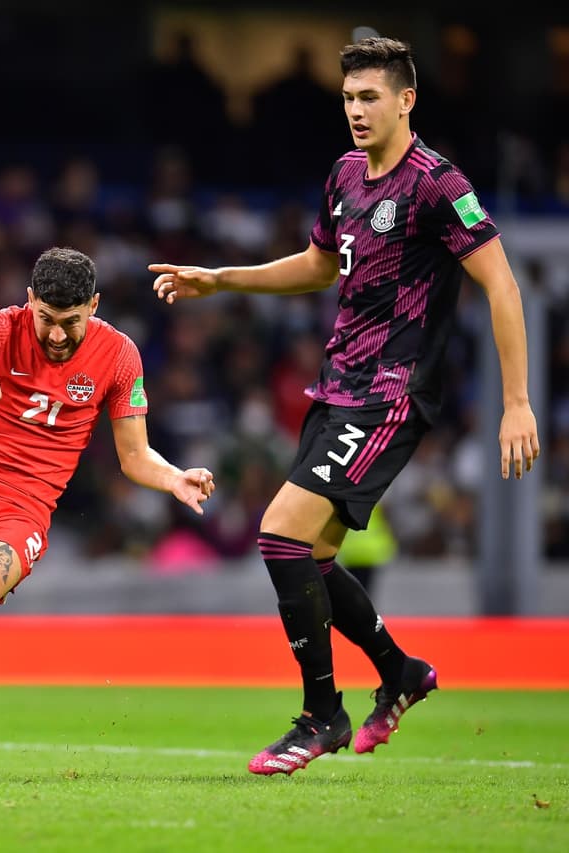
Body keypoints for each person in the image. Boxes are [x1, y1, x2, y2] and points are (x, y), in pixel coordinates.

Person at [149, 37, 539, 776]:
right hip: (336, 388)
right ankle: (399, 671)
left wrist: (515, 401)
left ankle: (321, 714)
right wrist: (221, 279)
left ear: (406, 100)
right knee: (315, 558)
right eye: (348, 99)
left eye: (369, 97)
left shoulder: (437, 183)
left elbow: (503, 285)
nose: (356, 111)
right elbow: (319, 266)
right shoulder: (344, 174)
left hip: (392, 392)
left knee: (279, 535)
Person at [0, 246, 215, 776]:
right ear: (29, 300)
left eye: (70, 322)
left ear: (94, 306)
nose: (57, 335)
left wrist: (174, 477)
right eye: (46, 319)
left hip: (23, 506)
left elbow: (134, 456)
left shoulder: (119, 354)